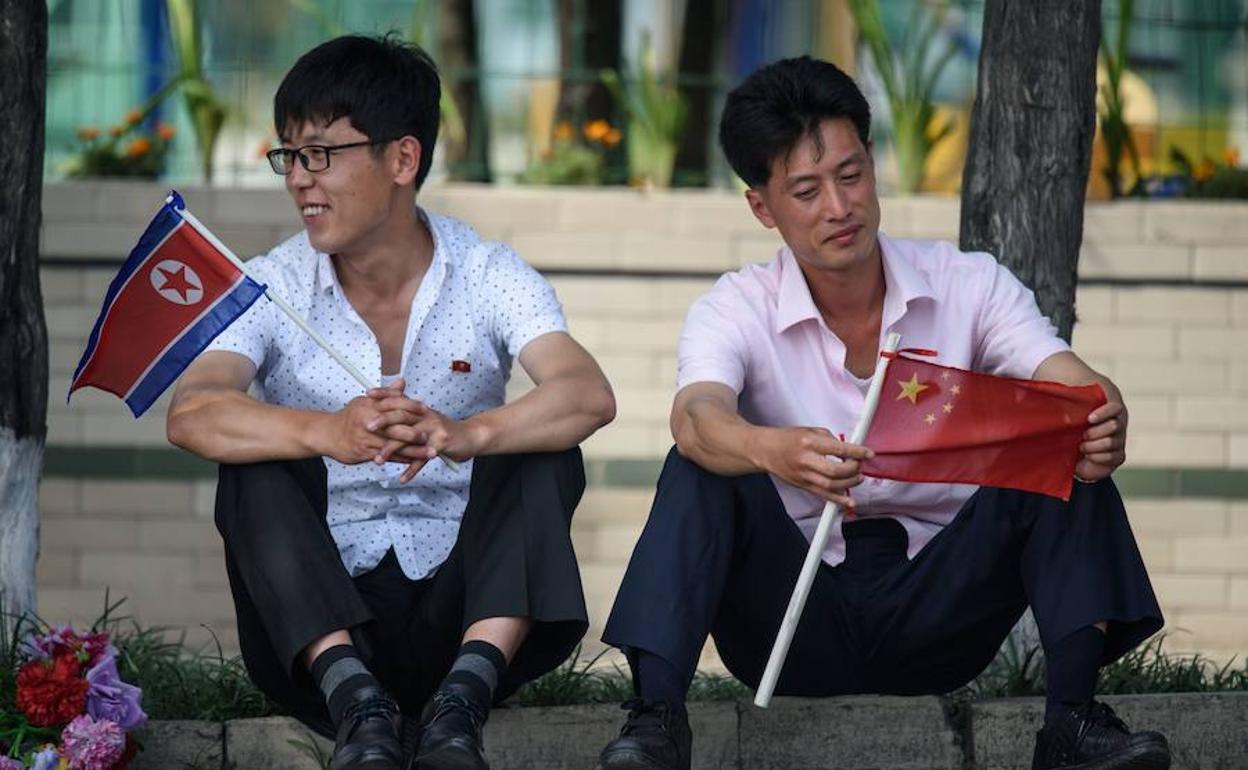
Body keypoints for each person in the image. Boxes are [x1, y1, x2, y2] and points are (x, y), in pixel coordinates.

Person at [595, 56, 1168, 770]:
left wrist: (1100, 413)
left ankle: (1074, 722)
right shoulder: (736, 306)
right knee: (703, 461)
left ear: (872, 164)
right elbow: (697, 413)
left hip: (938, 608)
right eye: (805, 190)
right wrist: (769, 449)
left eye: (851, 174)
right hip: (789, 620)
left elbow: (1068, 380)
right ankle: (654, 722)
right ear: (762, 207)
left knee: (1062, 448)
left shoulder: (969, 285)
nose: (839, 207)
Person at [167, 35, 616, 770]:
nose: (300, 181)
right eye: (290, 156)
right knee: (252, 457)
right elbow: (192, 411)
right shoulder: (270, 283)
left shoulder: (487, 272)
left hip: (463, 616)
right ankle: (361, 710)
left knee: (542, 448)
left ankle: (460, 705)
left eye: (322, 154)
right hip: (326, 627)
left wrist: (468, 433)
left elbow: (585, 392)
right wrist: (327, 431)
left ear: (402, 160)